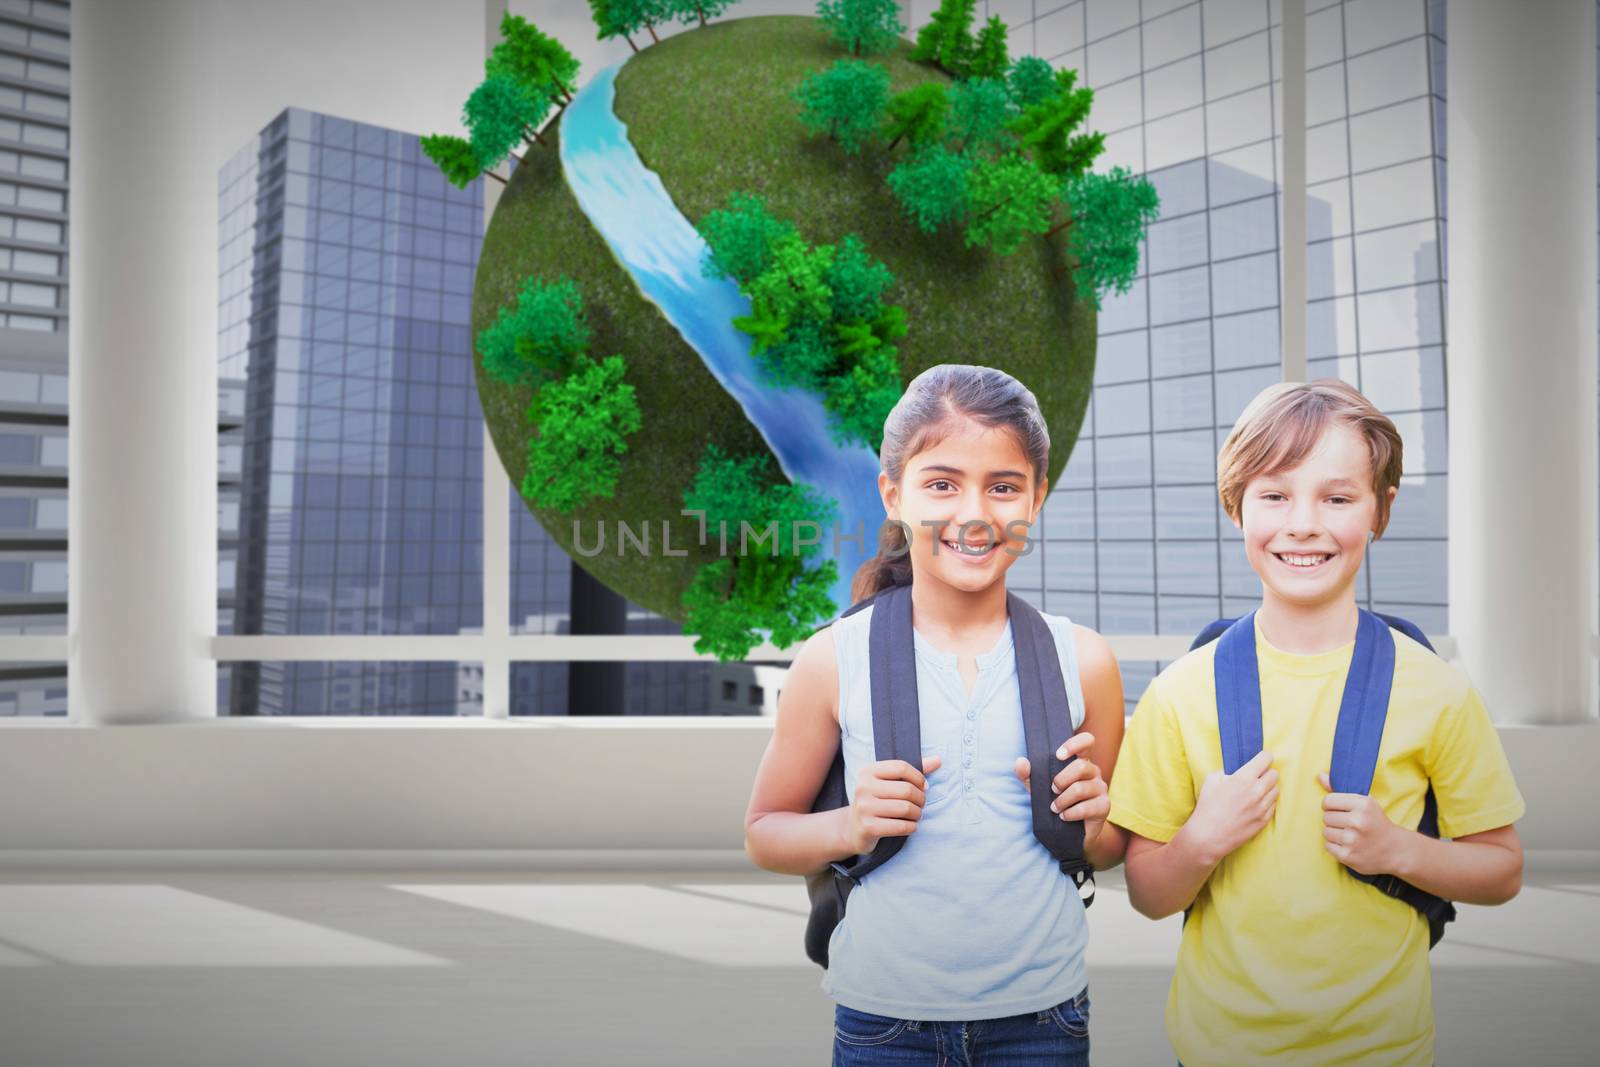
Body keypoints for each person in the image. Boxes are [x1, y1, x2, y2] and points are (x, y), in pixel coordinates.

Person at [1107, 379, 1526, 1067]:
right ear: (1236, 506)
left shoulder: (1438, 691)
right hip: (1217, 1050)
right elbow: (1151, 894)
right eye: (1275, 495)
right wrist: (1200, 840)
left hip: (1385, 1052)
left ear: (1380, 511)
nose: (1303, 523)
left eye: (1337, 497)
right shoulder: (1179, 693)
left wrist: (1399, 849)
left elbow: (1502, 868)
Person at [744, 363, 1126, 1066]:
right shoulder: (835, 658)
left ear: (1036, 498)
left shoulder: (1086, 661)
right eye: (942, 484)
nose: (974, 512)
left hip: (1045, 1020)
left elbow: (1106, 848)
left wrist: (1097, 823)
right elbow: (764, 832)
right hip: (884, 1023)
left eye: (1004, 486)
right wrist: (850, 824)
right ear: (893, 493)